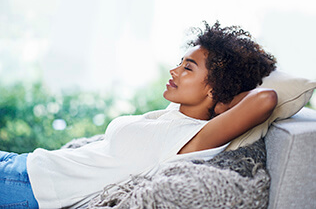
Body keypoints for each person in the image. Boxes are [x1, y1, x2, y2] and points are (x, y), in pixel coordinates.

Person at [0, 21, 278, 208]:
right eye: (179, 63)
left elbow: (266, 99)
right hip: (25, 164)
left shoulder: (194, 137)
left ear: (215, 88)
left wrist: (225, 98)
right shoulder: (175, 115)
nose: (174, 71)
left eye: (188, 68)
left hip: (27, 186)